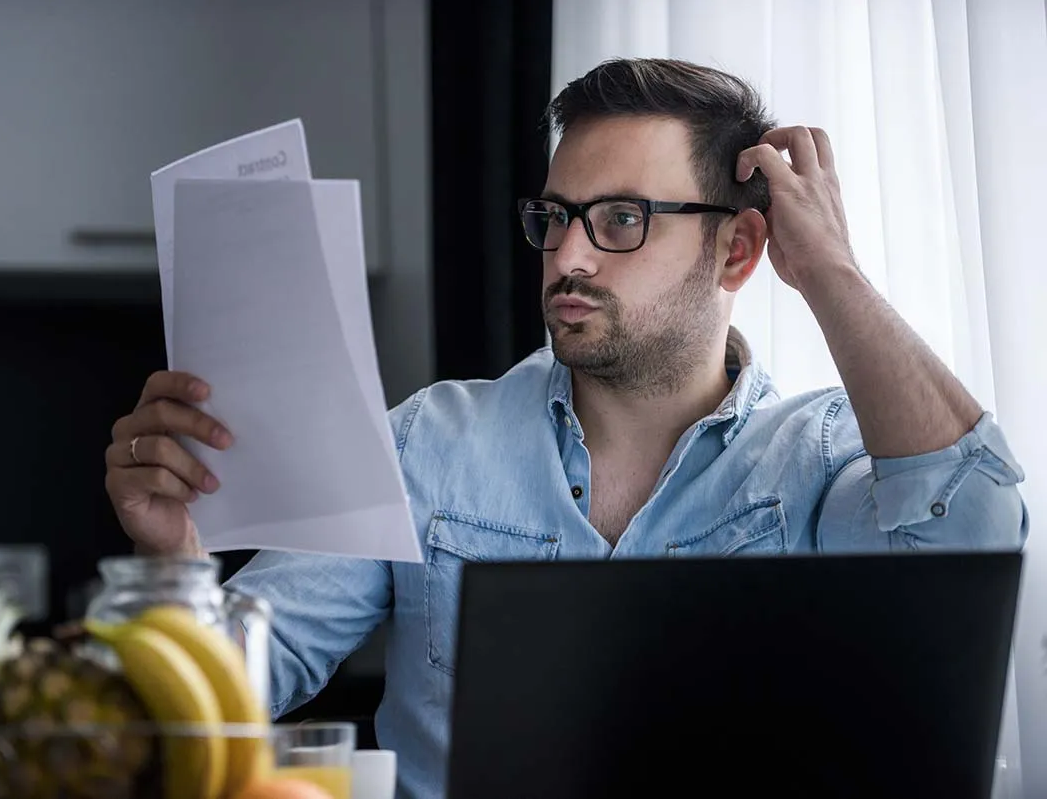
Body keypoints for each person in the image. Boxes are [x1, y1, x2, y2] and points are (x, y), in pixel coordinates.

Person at [103, 58, 1028, 799]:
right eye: (556, 217)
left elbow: (977, 528)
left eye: (621, 218)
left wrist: (829, 270)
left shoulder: (821, 459)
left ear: (738, 248)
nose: (569, 254)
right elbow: (199, 706)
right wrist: (174, 560)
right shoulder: (429, 442)